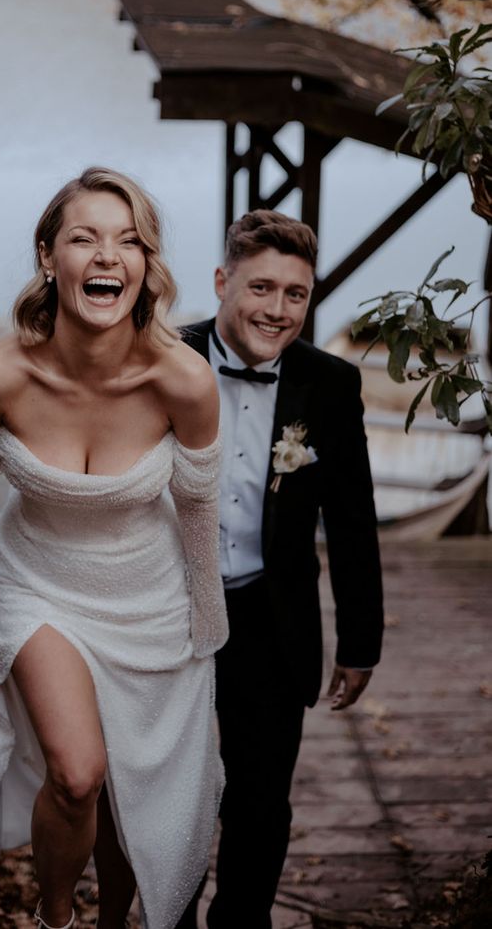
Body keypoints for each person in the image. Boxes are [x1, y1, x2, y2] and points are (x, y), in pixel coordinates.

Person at [0, 167, 229, 929]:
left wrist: (207, 619)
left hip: (151, 599)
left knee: (135, 790)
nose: (107, 256)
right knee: (78, 773)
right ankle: (53, 918)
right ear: (47, 257)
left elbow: (197, 508)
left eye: (129, 241)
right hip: (40, 588)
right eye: (83, 238)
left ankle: (112, 922)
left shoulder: (185, 382)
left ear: (146, 266)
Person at [176, 208, 384, 929]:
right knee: (173, 797)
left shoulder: (330, 384)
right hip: (168, 617)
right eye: (261, 288)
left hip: (272, 616)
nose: (278, 310)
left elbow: (353, 521)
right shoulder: (161, 360)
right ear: (222, 281)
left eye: (296, 294)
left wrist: (361, 643)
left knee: (261, 803)